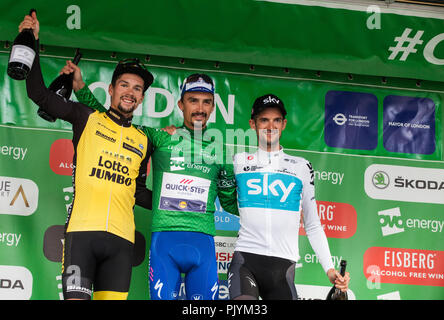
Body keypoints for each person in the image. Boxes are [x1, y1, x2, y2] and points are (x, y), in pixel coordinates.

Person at [21, 12, 154, 300]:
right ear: (111, 89)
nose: (130, 92)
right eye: (124, 85)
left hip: (121, 243)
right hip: (82, 236)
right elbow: (40, 95)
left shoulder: (143, 140)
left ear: (142, 97)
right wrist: (32, 41)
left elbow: (139, 192)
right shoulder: (86, 117)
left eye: (137, 88)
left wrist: (182, 203)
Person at [72, 72, 238, 300]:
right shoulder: (160, 137)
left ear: (212, 107)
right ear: (181, 104)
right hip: (164, 242)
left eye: (206, 102)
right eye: (193, 100)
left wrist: (270, 210)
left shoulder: (221, 151)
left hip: (203, 243)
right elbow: (111, 118)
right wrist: (81, 88)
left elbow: (231, 202)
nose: (200, 108)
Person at [228, 94, 350, 300]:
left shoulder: (301, 166)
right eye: (264, 120)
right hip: (246, 260)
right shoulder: (237, 162)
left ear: (284, 124)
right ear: (253, 124)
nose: (270, 126)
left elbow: (312, 224)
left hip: (283, 267)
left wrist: (330, 269)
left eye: (276, 120)